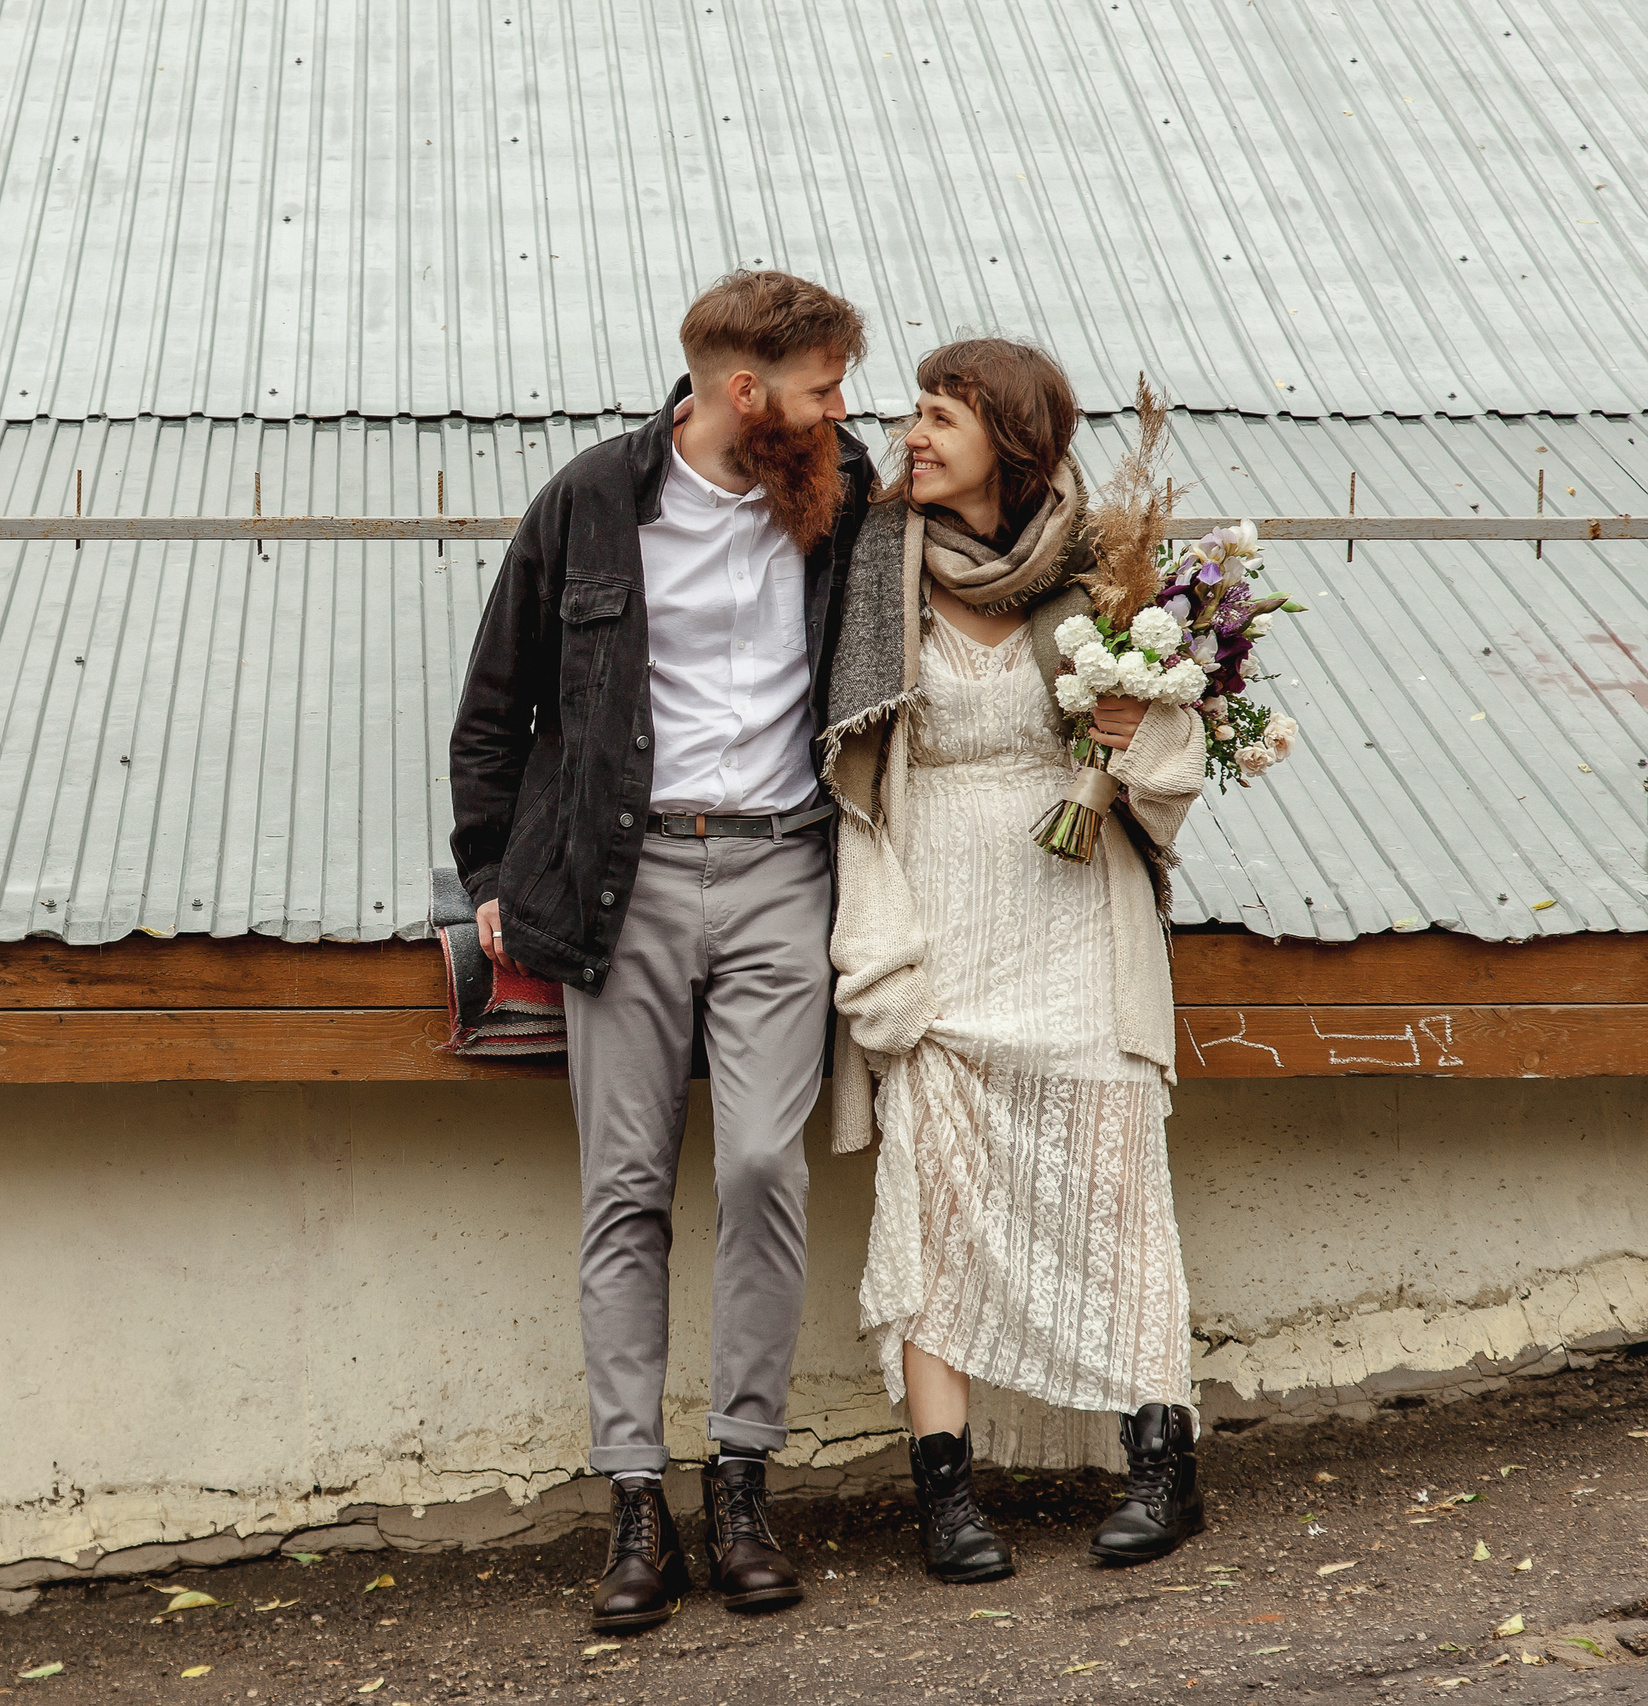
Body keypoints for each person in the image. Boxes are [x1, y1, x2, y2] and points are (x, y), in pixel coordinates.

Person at [449, 271, 875, 1632]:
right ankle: (636, 1503)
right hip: (620, 880)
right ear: (743, 393)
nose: (842, 408)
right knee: (624, 1188)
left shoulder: (845, 491)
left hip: (780, 864)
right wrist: (493, 874)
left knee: (759, 1162)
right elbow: (496, 708)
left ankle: (740, 1480)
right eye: (820, 386)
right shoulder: (589, 502)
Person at [818, 338, 1208, 1584]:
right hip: (938, 926)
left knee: (1114, 1193)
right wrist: (878, 951)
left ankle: (1161, 1461)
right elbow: (855, 785)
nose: (911, 435)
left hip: (1073, 923)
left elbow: (1180, 758)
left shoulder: (1103, 568)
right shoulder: (868, 561)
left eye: (938, 416)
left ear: (1010, 436)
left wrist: (1129, 733)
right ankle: (947, 1493)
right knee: (932, 1205)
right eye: (911, 415)